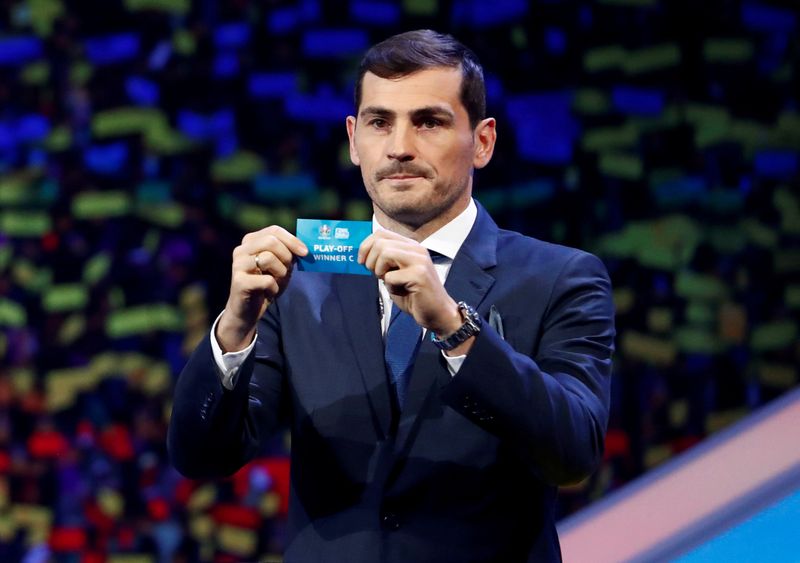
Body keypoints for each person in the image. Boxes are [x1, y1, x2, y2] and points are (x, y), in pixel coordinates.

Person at [168, 29, 615, 562]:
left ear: (484, 141)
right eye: (381, 123)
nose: (400, 147)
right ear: (354, 140)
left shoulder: (560, 278)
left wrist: (454, 327)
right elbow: (204, 456)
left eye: (429, 122)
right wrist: (234, 328)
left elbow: (573, 454)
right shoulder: (297, 286)